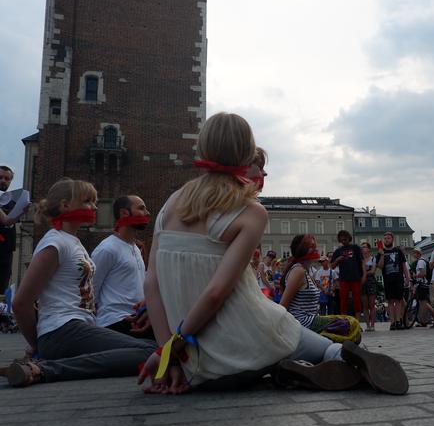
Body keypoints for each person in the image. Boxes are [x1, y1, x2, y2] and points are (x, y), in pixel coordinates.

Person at [138, 112, 408, 394]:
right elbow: (216, 292)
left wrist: (167, 351)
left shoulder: (171, 204)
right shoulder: (250, 211)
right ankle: (327, 358)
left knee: (278, 343)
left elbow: (151, 283)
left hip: (196, 368)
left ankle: (288, 369)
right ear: (246, 152)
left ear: (202, 147)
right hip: (247, 349)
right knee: (317, 344)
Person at [1, 178, 155, 387]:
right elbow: (21, 303)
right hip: (62, 329)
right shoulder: (54, 242)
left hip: (77, 328)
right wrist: (38, 344)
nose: (94, 207)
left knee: (151, 347)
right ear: (65, 205)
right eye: (88, 201)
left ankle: (46, 364)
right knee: (150, 352)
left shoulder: (72, 242)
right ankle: (44, 369)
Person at [91, 195, 153, 338]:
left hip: (138, 320)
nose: (147, 213)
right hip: (115, 323)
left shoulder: (136, 248)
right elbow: (90, 292)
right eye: (141, 208)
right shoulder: (107, 249)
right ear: (124, 213)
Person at [0, 165, 29, 295]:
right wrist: (21, 211)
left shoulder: (11, 202)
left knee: (2, 284)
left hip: (6, 249)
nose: (3, 181)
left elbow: (10, 222)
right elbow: (6, 220)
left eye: (7, 179)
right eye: (0, 177)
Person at [377, 232, 410, 330]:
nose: (386, 240)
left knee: (399, 300)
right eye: (385, 238)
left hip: (398, 279)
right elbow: (380, 266)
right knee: (391, 301)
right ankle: (392, 322)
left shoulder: (398, 251)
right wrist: (382, 255)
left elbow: (404, 265)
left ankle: (398, 320)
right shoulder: (381, 252)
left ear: (392, 239)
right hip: (387, 279)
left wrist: (407, 277)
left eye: (388, 238)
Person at [331, 230, 366, 320]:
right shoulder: (338, 251)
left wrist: (364, 275)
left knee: (357, 301)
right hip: (344, 279)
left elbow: (362, 262)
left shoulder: (355, 248)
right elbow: (332, 266)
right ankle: (344, 323)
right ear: (339, 240)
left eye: (345, 238)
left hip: (356, 278)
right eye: (341, 239)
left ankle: (357, 323)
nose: (343, 240)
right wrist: (337, 259)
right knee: (343, 302)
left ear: (348, 238)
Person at [411, 247, 434, 327]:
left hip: (422, 284)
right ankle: (428, 317)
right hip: (425, 284)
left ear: (418, 253)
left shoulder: (420, 262)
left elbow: (423, 273)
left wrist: (415, 275)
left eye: (414, 253)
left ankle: (425, 320)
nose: (413, 255)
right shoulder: (423, 261)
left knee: (423, 302)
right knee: (423, 302)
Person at [360, 242, 378, 331]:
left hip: (370, 281)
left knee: (372, 304)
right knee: (365, 305)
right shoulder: (360, 259)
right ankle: (367, 325)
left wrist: (363, 273)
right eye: (362, 247)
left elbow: (373, 271)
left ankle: (373, 325)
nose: (363, 249)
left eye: (364, 247)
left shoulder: (373, 258)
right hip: (363, 282)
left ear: (368, 249)